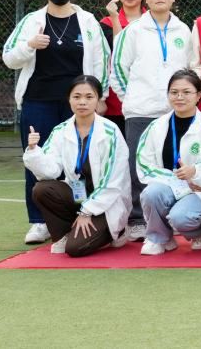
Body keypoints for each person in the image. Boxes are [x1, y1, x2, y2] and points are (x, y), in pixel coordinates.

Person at [3, 0, 110, 245]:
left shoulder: (87, 21)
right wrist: (29, 45)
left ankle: (79, 215)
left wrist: (101, 97)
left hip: (78, 104)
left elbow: (101, 60)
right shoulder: (31, 20)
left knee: (79, 160)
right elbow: (9, 57)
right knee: (36, 157)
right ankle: (38, 221)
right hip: (38, 101)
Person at [109, 0, 192, 241]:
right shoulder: (133, 31)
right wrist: (132, 98)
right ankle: (136, 218)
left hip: (174, 111)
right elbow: (117, 69)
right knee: (138, 166)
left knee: (173, 164)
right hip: (141, 111)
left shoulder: (183, 30)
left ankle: (172, 215)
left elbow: (190, 68)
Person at [22, 75, 130, 256]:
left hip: (106, 204)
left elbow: (113, 182)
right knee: (42, 189)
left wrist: (87, 212)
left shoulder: (110, 132)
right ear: (69, 99)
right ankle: (62, 234)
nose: (82, 102)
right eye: (77, 97)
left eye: (89, 97)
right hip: (78, 197)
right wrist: (34, 151)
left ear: (98, 99)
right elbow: (50, 171)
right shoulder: (60, 130)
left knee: (75, 249)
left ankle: (117, 232)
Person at [134, 70, 201, 255]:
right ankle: (159, 238)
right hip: (168, 184)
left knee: (181, 217)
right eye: (174, 92)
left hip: (198, 188)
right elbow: (144, 162)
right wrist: (176, 179)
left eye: (186, 92)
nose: (179, 97)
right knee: (151, 193)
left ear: (198, 95)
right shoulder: (156, 126)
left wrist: (195, 172)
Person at [100, 0, 146, 130]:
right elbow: (119, 48)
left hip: (146, 93)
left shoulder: (153, 22)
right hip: (116, 97)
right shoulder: (106, 23)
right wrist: (114, 17)